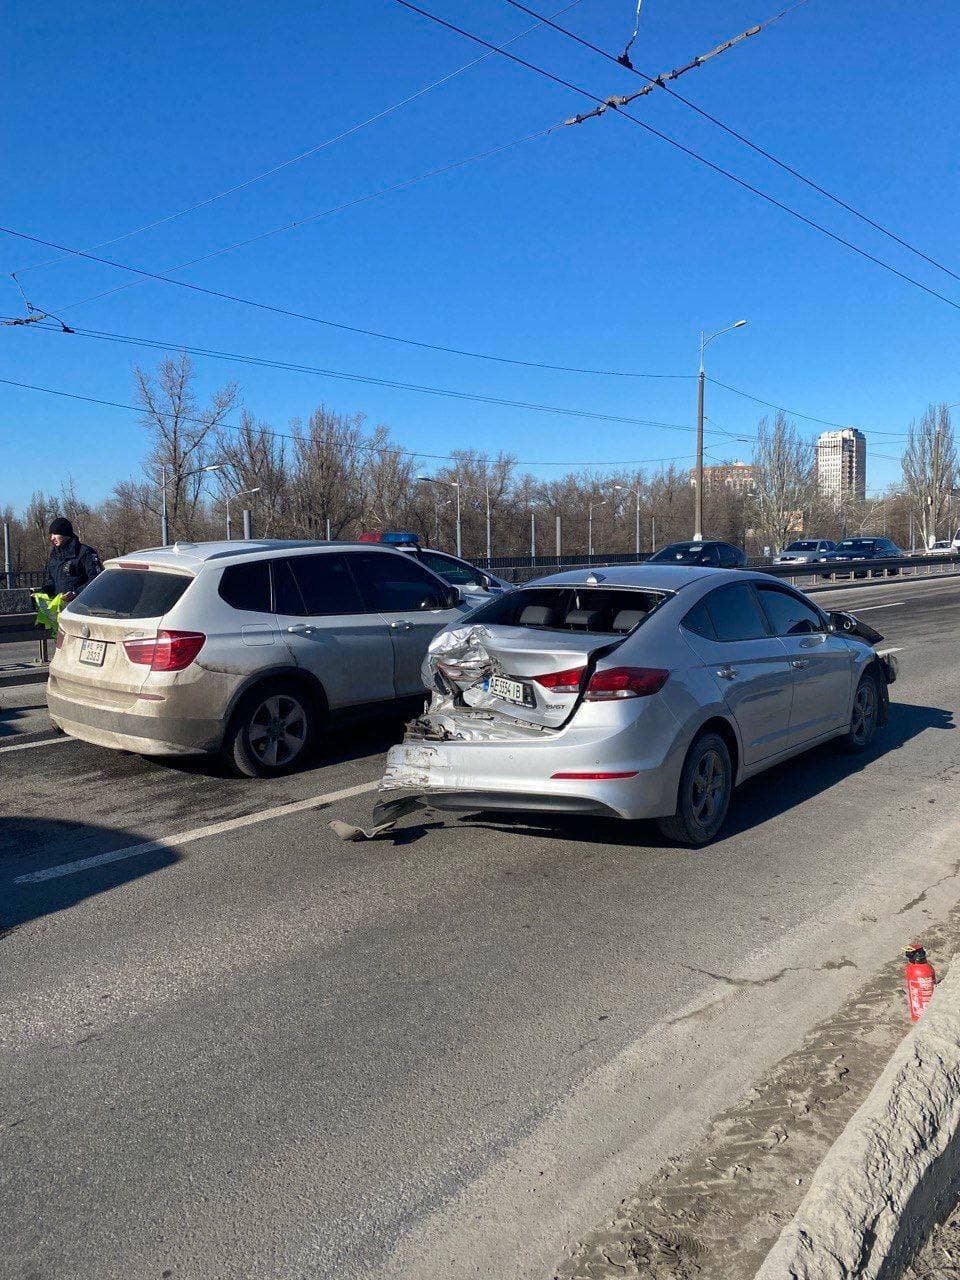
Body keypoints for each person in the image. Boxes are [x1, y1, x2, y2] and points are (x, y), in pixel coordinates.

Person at [43, 518, 103, 602]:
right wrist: (45, 590)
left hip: (82, 604)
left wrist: (76, 593)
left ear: (65, 534)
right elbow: (51, 580)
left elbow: (96, 578)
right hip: (58, 606)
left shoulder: (85, 552)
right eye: (51, 535)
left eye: (55, 534)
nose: (52, 538)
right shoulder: (54, 556)